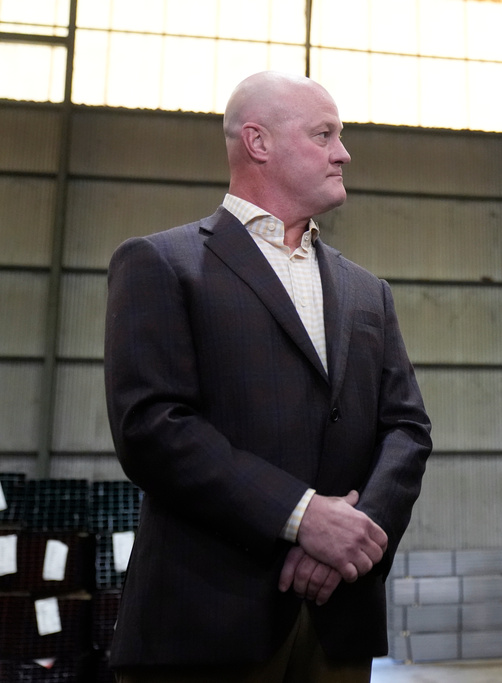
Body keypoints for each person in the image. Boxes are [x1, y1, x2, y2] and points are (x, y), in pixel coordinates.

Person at [104, 71, 432, 683]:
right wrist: (302, 517)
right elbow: (152, 427)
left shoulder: (368, 292)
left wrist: (350, 542)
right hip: (208, 624)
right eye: (324, 134)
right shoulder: (161, 263)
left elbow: (407, 429)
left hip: (338, 620)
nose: (343, 152)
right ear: (258, 142)